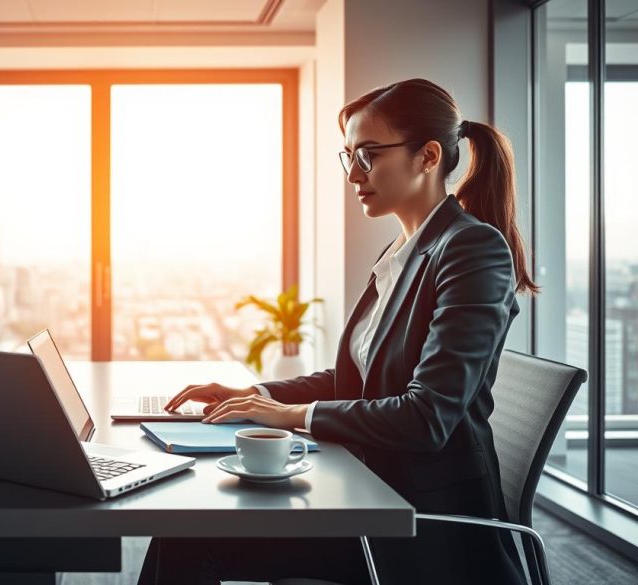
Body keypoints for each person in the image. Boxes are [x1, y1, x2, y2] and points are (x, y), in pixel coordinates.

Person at [137, 78, 540, 585]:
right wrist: (255, 393)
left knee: (191, 538)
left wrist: (289, 415)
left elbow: (426, 417)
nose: (353, 174)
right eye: (348, 156)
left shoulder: (472, 250)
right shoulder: (401, 253)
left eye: (368, 155)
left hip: (416, 526)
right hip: (367, 492)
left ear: (428, 156)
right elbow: (353, 382)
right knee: (188, 530)